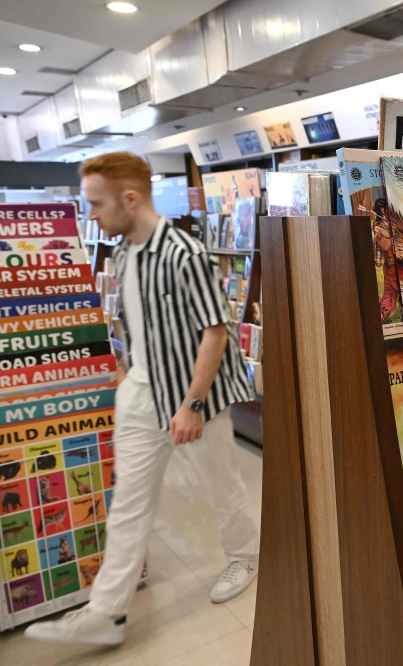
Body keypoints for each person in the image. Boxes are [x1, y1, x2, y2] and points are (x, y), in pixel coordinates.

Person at [27, 152, 259, 646]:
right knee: (129, 505)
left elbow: (214, 333)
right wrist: (127, 368)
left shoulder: (184, 253)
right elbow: (138, 321)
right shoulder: (125, 252)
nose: (91, 215)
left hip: (192, 399)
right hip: (139, 396)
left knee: (221, 488)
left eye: (96, 205)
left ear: (129, 199)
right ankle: (106, 613)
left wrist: (193, 404)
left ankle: (245, 558)